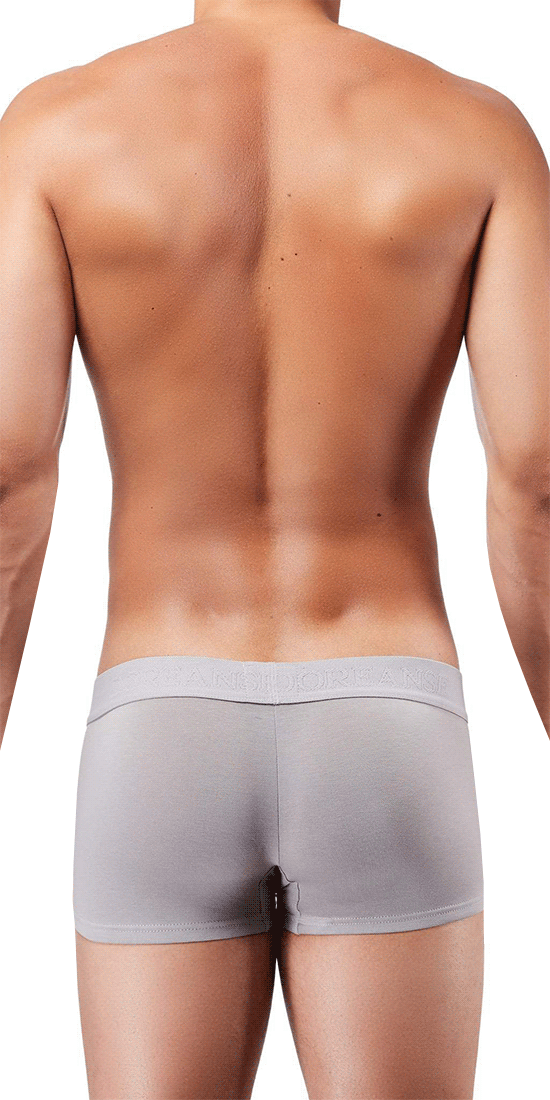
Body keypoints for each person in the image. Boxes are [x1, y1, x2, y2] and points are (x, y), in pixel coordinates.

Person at [1, 0, 548, 1096]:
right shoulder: (475, 129)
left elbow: (11, 470)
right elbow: (535, 475)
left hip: (159, 709)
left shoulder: (56, 127)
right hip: (387, 710)